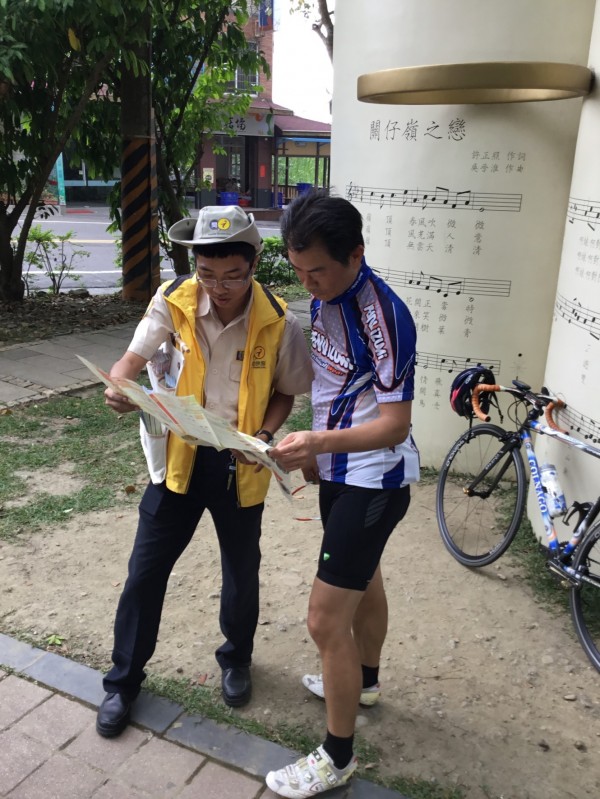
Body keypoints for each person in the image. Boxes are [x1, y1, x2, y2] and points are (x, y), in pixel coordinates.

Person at [96, 205, 313, 738]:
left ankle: (236, 659)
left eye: (232, 276)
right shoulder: (175, 301)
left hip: (241, 462)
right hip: (181, 455)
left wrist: (262, 438)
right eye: (208, 274)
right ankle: (123, 682)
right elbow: (134, 355)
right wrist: (120, 384)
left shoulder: (279, 320)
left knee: (241, 570)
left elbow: (286, 391)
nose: (219, 287)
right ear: (195, 266)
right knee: (145, 572)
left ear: (254, 263)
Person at [266, 190, 419, 797]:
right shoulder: (325, 295)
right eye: (297, 270)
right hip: (341, 471)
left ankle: (337, 756)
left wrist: (322, 445)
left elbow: (396, 424)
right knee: (366, 581)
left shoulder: (384, 315)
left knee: (324, 621)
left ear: (356, 255)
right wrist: (318, 456)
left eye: (318, 271)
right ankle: (368, 682)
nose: (307, 282)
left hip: (375, 479)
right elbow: (334, 383)